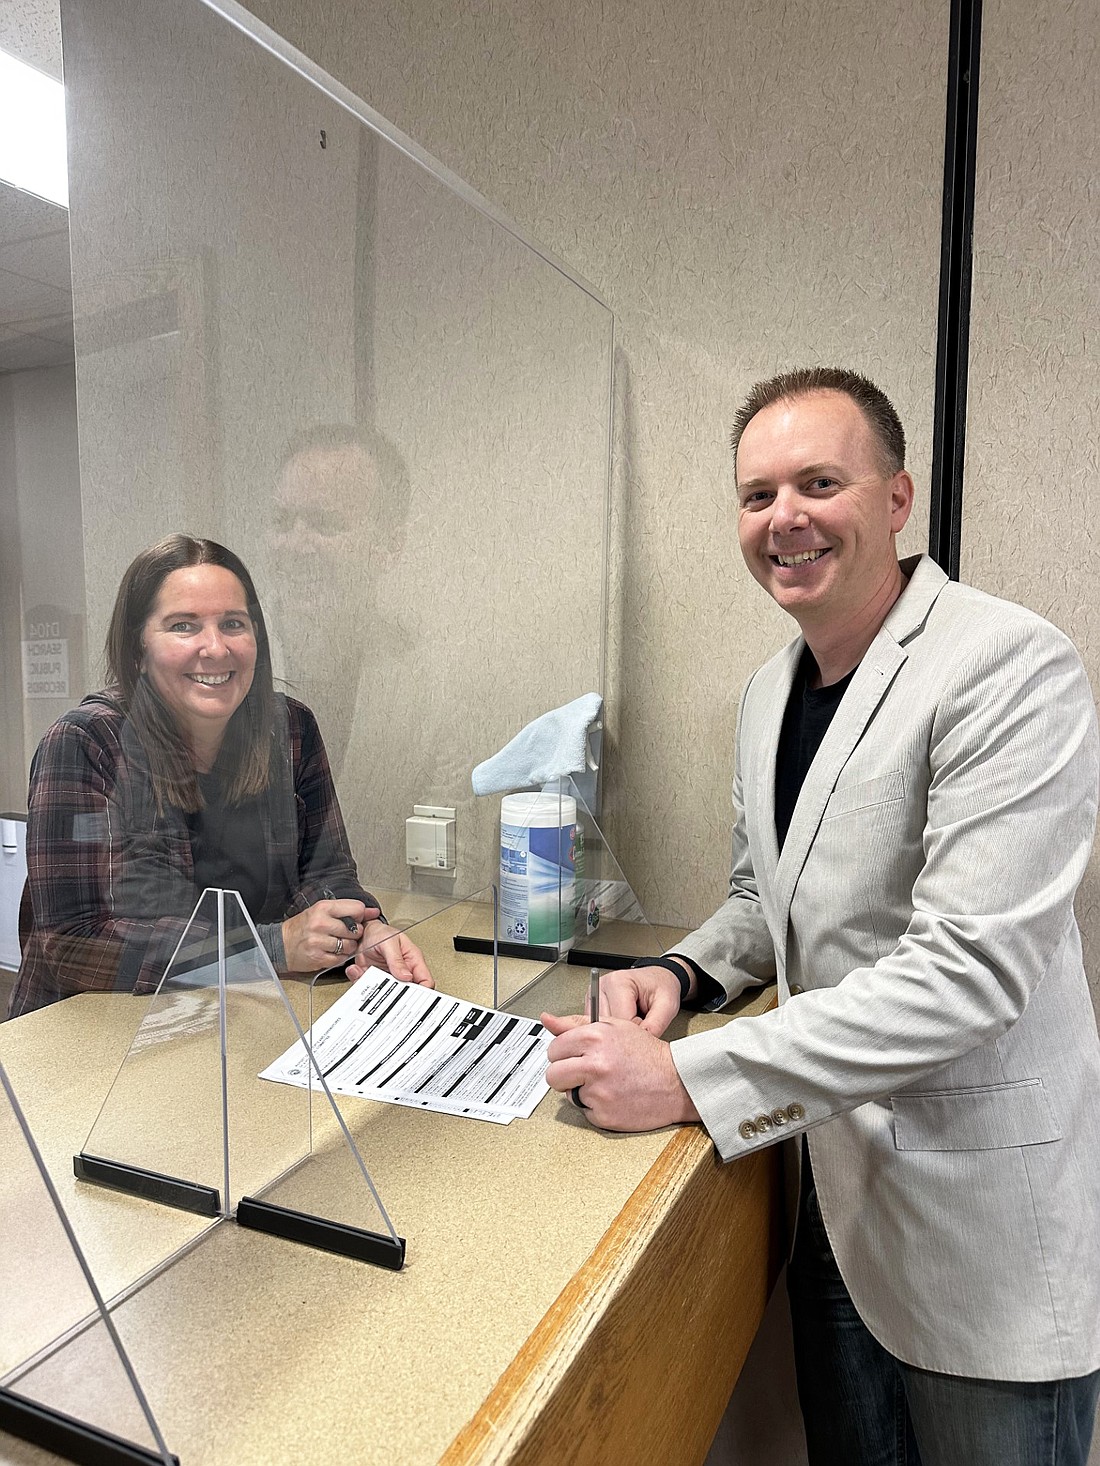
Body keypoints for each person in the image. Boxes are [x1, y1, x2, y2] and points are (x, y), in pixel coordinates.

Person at [544, 368, 1100, 1464]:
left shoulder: (1003, 661)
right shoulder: (767, 693)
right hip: (831, 1214)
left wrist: (688, 1077)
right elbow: (768, 898)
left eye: (816, 482)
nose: (782, 518)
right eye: (756, 495)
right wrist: (689, 974)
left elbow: (967, 973)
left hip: (977, 1224)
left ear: (895, 499)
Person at [9, 534, 432, 1017]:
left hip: (239, 1018)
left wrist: (361, 932)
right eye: (183, 626)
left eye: (233, 623)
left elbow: (326, 875)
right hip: (92, 1038)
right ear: (137, 650)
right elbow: (76, 945)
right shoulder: (86, 743)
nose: (215, 648)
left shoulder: (290, 729)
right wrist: (269, 946)